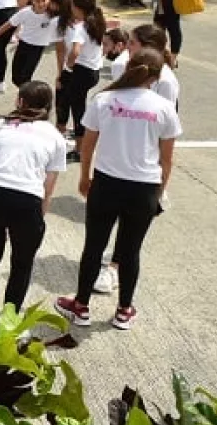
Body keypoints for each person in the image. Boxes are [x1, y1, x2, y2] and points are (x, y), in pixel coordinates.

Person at [56, 48, 180, 331]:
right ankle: (124, 309)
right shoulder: (163, 108)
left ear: (128, 67)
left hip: (107, 183)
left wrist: (84, 176)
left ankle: (81, 305)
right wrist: (160, 191)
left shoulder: (104, 100)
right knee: (130, 250)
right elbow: (167, 159)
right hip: (144, 188)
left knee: (94, 245)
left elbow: (88, 144)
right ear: (157, 76)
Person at [0, 81, 66, 310]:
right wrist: (38, 220)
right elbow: (48, 187)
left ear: (20, 101)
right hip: (26, 199)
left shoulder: (0, 125)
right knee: (22, 263)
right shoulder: (56, 137)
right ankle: (9, 318)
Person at [54, 0, 106, 162]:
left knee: (74, 107)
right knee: (75, 104)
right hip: (92, 71)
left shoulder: (80, 28)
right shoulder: (97, 22)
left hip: (80, 71)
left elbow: (75, 51)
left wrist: (68, 66)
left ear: (78, 8)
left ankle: (79, 149)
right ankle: (75, 141)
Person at [0, 0, 63, 88]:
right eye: (37, 1)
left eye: (44, 0)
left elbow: (66, 12)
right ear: (32, 0)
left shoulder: (52, 14)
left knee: (25, 77)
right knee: (15, 78)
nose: (41, 4)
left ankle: (26, 96)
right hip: (23, 45)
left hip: (37, 48)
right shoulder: (26, 12)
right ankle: (28, 93)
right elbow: (9, 24)